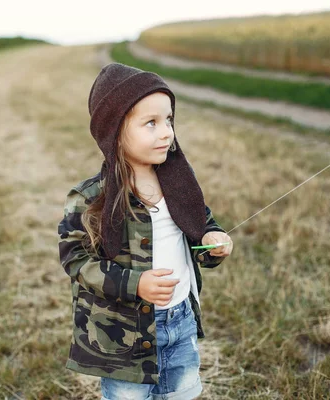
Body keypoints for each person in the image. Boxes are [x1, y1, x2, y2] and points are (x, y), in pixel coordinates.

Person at [57, 62, 233, 400]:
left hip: (179, 320)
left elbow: (201, 227)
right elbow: (76, 261)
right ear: (114, 132)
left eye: (168, 120)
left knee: (181, 393)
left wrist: (213, 241)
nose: (166, 132)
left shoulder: (179, 184)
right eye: (151, 123)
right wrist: (136, 283)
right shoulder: (90, 198)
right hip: (122, 338)